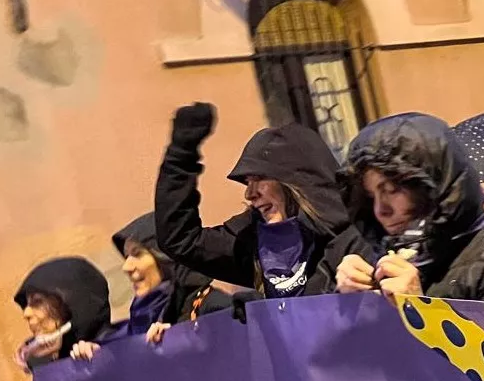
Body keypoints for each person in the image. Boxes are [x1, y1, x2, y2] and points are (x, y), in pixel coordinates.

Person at [155, 103, 369, 305]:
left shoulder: (359, 235)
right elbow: (181, 241)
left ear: (295, 181)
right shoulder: (254, 239)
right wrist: (180, 155)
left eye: (259, 178)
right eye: (247, 182)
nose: (249, 193)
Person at [335, 113, 484, 302]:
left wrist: (420, 309)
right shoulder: (389, 251)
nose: (380, 210)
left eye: (392, 189)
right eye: (371, 196)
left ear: (434, 187)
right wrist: (351, 300)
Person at [70, 213, 231, 359]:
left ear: (167, 258)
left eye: (137, 253)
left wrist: (180, 338)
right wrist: (96, 358)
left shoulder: (209, 306)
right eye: (126, 256)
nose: (126, 267)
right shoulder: (137, 322)